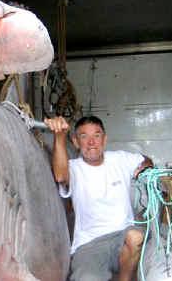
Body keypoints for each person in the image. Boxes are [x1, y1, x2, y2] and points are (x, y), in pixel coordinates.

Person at [45, 115, 153, 281]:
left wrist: (144, 168)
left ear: (104, 139)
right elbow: (60, 176)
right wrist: (59, 137)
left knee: (136, 237)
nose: (91, 142)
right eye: (84, 136)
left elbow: (147, 160)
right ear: (75, 142)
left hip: (122, 238)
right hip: (90, 245)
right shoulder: (73, 168)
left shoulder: (120, 159)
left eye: (96, 135)